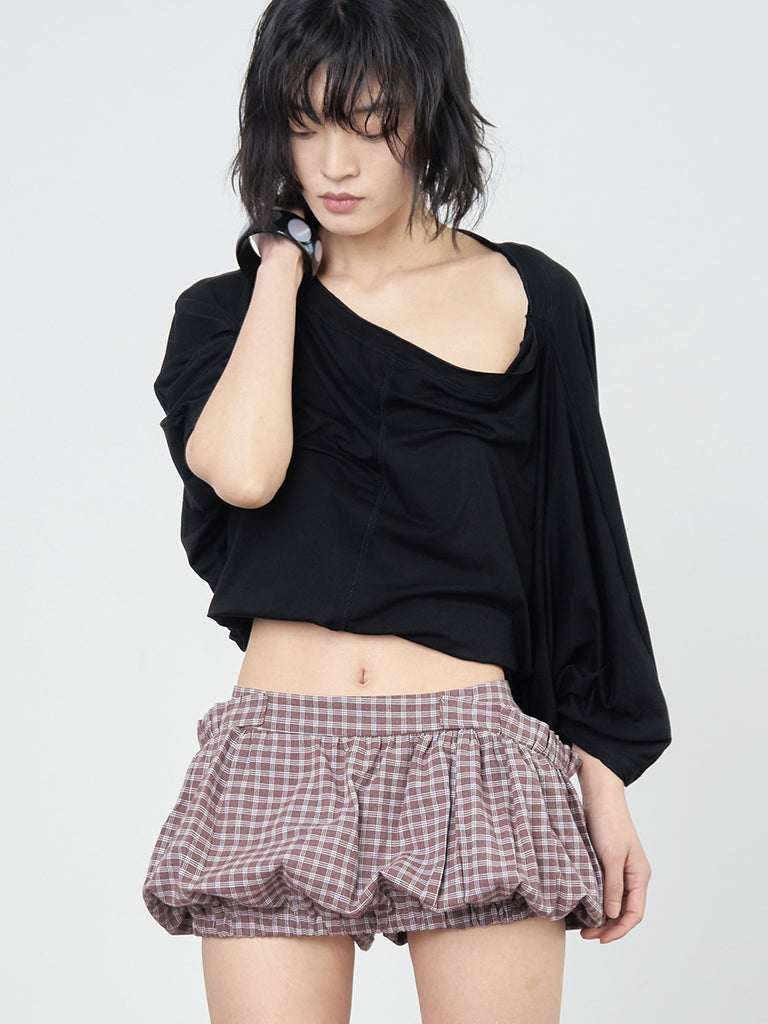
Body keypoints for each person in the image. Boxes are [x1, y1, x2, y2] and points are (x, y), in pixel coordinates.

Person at [141, 1, 672, 1021]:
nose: (335, 163)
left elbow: (579, 544)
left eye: (371, 122)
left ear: (430, 116)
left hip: (474, 754)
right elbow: (243, 474)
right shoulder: (225, 315)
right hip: (280, 750)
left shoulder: (529, 297)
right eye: (305, 125)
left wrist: (603, 786)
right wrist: (283, 265)